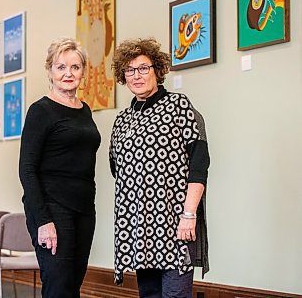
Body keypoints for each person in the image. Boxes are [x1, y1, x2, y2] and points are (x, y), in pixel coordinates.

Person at [109, 38, 210, 298]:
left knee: (175, 294)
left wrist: (189, 213)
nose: (136, 76)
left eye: (143, 68)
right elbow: (117, 169)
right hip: (139, 227)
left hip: (176, 223)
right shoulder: (122, 120)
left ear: (157, 70)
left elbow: (199, 164)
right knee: (149, 294)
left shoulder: (179, 106)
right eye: (129, 70)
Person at [19, 37, 101, 298]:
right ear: (49, 71)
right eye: (61, 67)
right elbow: (27, 169)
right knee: (58, 287)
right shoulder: (40, 111)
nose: (68, 73)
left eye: (75, 67)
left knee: (73, 284)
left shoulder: (84, 110)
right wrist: (43, 220)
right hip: (52, 209)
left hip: (84, 209)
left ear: (83, 72)